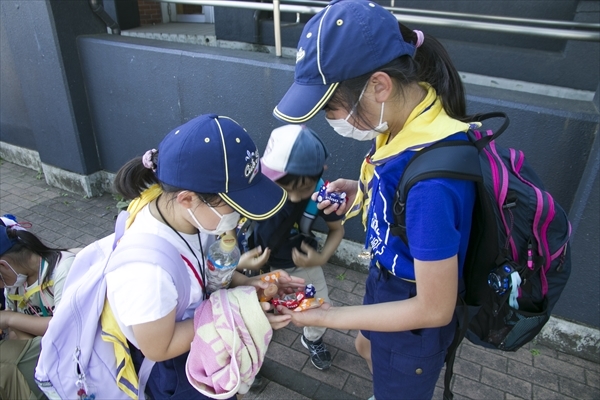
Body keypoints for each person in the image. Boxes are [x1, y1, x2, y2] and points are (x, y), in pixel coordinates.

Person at [272, 1, 477, 399]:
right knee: (366, 345)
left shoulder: (432, 187)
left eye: (332, 106)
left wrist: (330, 316)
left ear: (380, 85)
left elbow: (434, 308)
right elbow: (398, 186)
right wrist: (363, 191)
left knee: (394, 378)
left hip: (414, 313)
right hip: (385, 279)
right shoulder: (405, 120)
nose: (332, 119)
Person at [110, 113, 304, 399]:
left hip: (204, 344)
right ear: (187, 198)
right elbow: (157, 347)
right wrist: (241, 316)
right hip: (178, 371)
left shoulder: (189, 217)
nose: (240, 218)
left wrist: (250, 284)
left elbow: (201, 273)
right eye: (235, 206)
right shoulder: (147, 272)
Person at [247, 124, 344, 370]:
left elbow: (337, 230)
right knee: (252, 313)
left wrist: (320, 259)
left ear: (321, 172)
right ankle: (250, 356)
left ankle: (312, 338)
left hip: (300, 264)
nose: (292, 197)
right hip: (255, 267)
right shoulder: (254, 185)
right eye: (285, 187)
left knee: (318, 307)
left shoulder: (324, 194)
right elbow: (229, 224)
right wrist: (239, 262)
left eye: (302, 188)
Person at [0, 215, 77, 399]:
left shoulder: (63, 268)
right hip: (46, 360)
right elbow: (15, 333)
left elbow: (63, 328)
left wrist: (9, 318)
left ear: (2, 265)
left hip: (71, 354)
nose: (1, 287)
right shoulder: (16, 282)